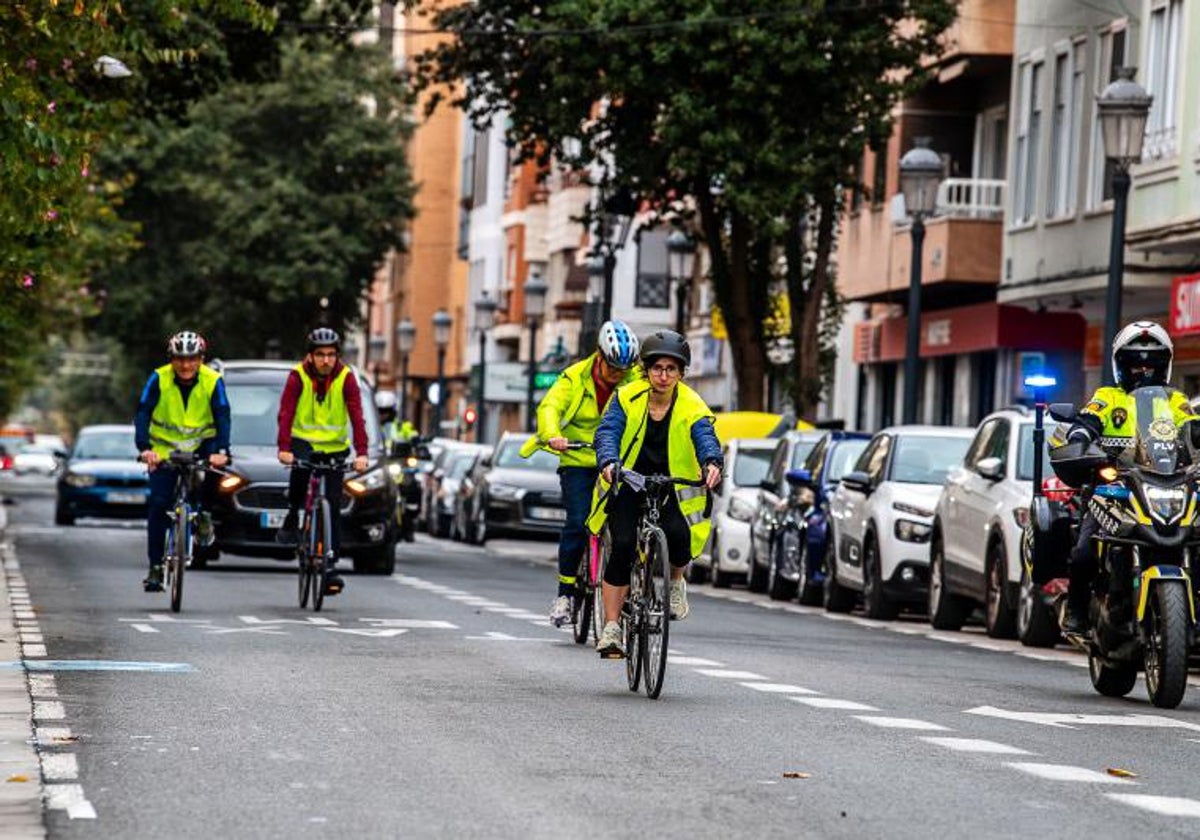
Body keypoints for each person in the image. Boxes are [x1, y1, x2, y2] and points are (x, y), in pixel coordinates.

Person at [587, 329, 723, 658]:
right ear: (646, 370)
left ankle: (675, 583)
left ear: (681, 373)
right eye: (657, 368)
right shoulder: (627, 398)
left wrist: (711, 463)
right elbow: (608, 432)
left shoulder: (692, 404)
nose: (663, 376)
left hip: (671, 486)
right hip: (629, 483)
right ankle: (612, 628)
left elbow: (705, 435)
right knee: (620, 545)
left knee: (678, 534)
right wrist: (608, 461)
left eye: (671, 369)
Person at [1061, 320, 1196, 633]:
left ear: (1165, 367)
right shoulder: (1108, 397)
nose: (1143, 373)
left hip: (1167, 482)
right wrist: (1081, 434)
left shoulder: (1175, 401)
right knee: (1083, 550)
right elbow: (1088, 418)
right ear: (1121, 366)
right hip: (1115, 487)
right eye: (1135, 366)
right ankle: (1077, 610)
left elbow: (1193, 424)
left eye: (1151, 367)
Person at [520, 320, 641, 627]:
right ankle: (565, 594)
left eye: (623, 369)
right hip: (576, 458)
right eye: (612, 367)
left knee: (627, 524)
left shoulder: (634, 379)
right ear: (599, 355)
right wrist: (553, 434)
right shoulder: (574, 377)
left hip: (615, 462)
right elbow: (550, 407)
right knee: (577, 522)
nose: (617, 374)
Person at [275, 327, 369, 596]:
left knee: (333, 504)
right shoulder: (297, 376)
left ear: (337, 356)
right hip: (302, 444)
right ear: (310, 356)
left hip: (335, 448)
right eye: (320, 355)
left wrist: (361, 453)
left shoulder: (346, 378)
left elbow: (357, 416)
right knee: (299, 479)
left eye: (331, 355)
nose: (326, 360)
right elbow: (286, 413)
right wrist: (284, 448)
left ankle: (330, 565)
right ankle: (293, 515)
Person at [135, 331, 231, 592]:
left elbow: (222, 414)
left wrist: (222, 449)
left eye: (192, 359)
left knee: (217, 468)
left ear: (201, 359)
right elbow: (143, 412)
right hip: (164, 449)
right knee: (158, 505)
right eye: (179, 359)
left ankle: (206, 515)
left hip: (203, 444)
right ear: (172, 359)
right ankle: (155, 567)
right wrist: (145, 448)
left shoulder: (213, 380)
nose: (185, 365)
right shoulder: (158, 378)